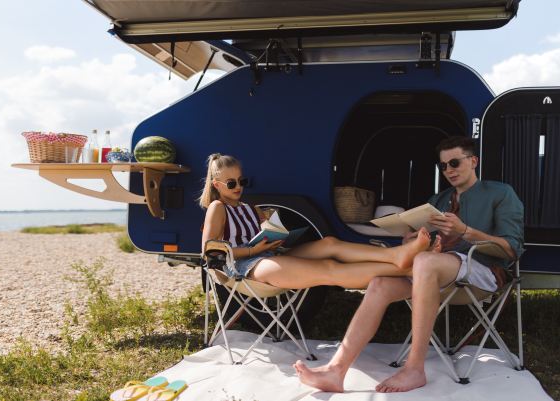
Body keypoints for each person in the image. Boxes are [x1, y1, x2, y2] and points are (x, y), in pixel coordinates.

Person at [294, 136, 524, 393]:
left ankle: (414, 369)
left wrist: (466, 231)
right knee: (380, 283)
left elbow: (512, 249)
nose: (449, 170)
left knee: (424, 261)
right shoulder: (439, 199)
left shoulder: (501, 193)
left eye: (455, 163)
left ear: (473, 161)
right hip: (436, 269)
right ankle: (335, 370)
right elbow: (430, 243)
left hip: (482, 270)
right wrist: (413, 240)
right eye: (443, 166)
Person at [200, 153, 441, 290]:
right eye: (231, 184)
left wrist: (276, 236)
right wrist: (254, 249)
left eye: (241, 181)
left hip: (269, 256)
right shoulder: (217, 207)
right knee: (329, 268)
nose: (238, 187)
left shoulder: (251, 208)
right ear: (217, 185)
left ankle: (396, 255)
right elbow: (211, 252)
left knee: (329, 243)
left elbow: (268, 234)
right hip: (244, 267)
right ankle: (408, 269)